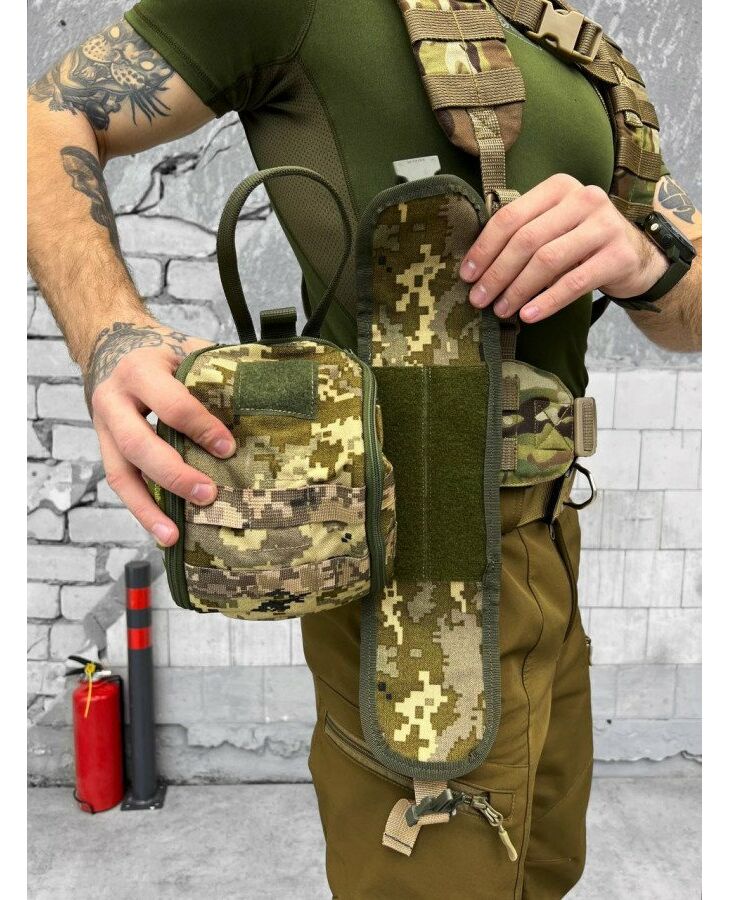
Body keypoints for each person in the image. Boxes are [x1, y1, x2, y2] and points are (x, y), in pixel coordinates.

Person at [27, 1, 701, 896]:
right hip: (413, 576)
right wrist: (109, 331)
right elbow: (38, 119)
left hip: (551, 548)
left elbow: (692, 317)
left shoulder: (577, 47)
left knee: (544, 871)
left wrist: (648, 261)